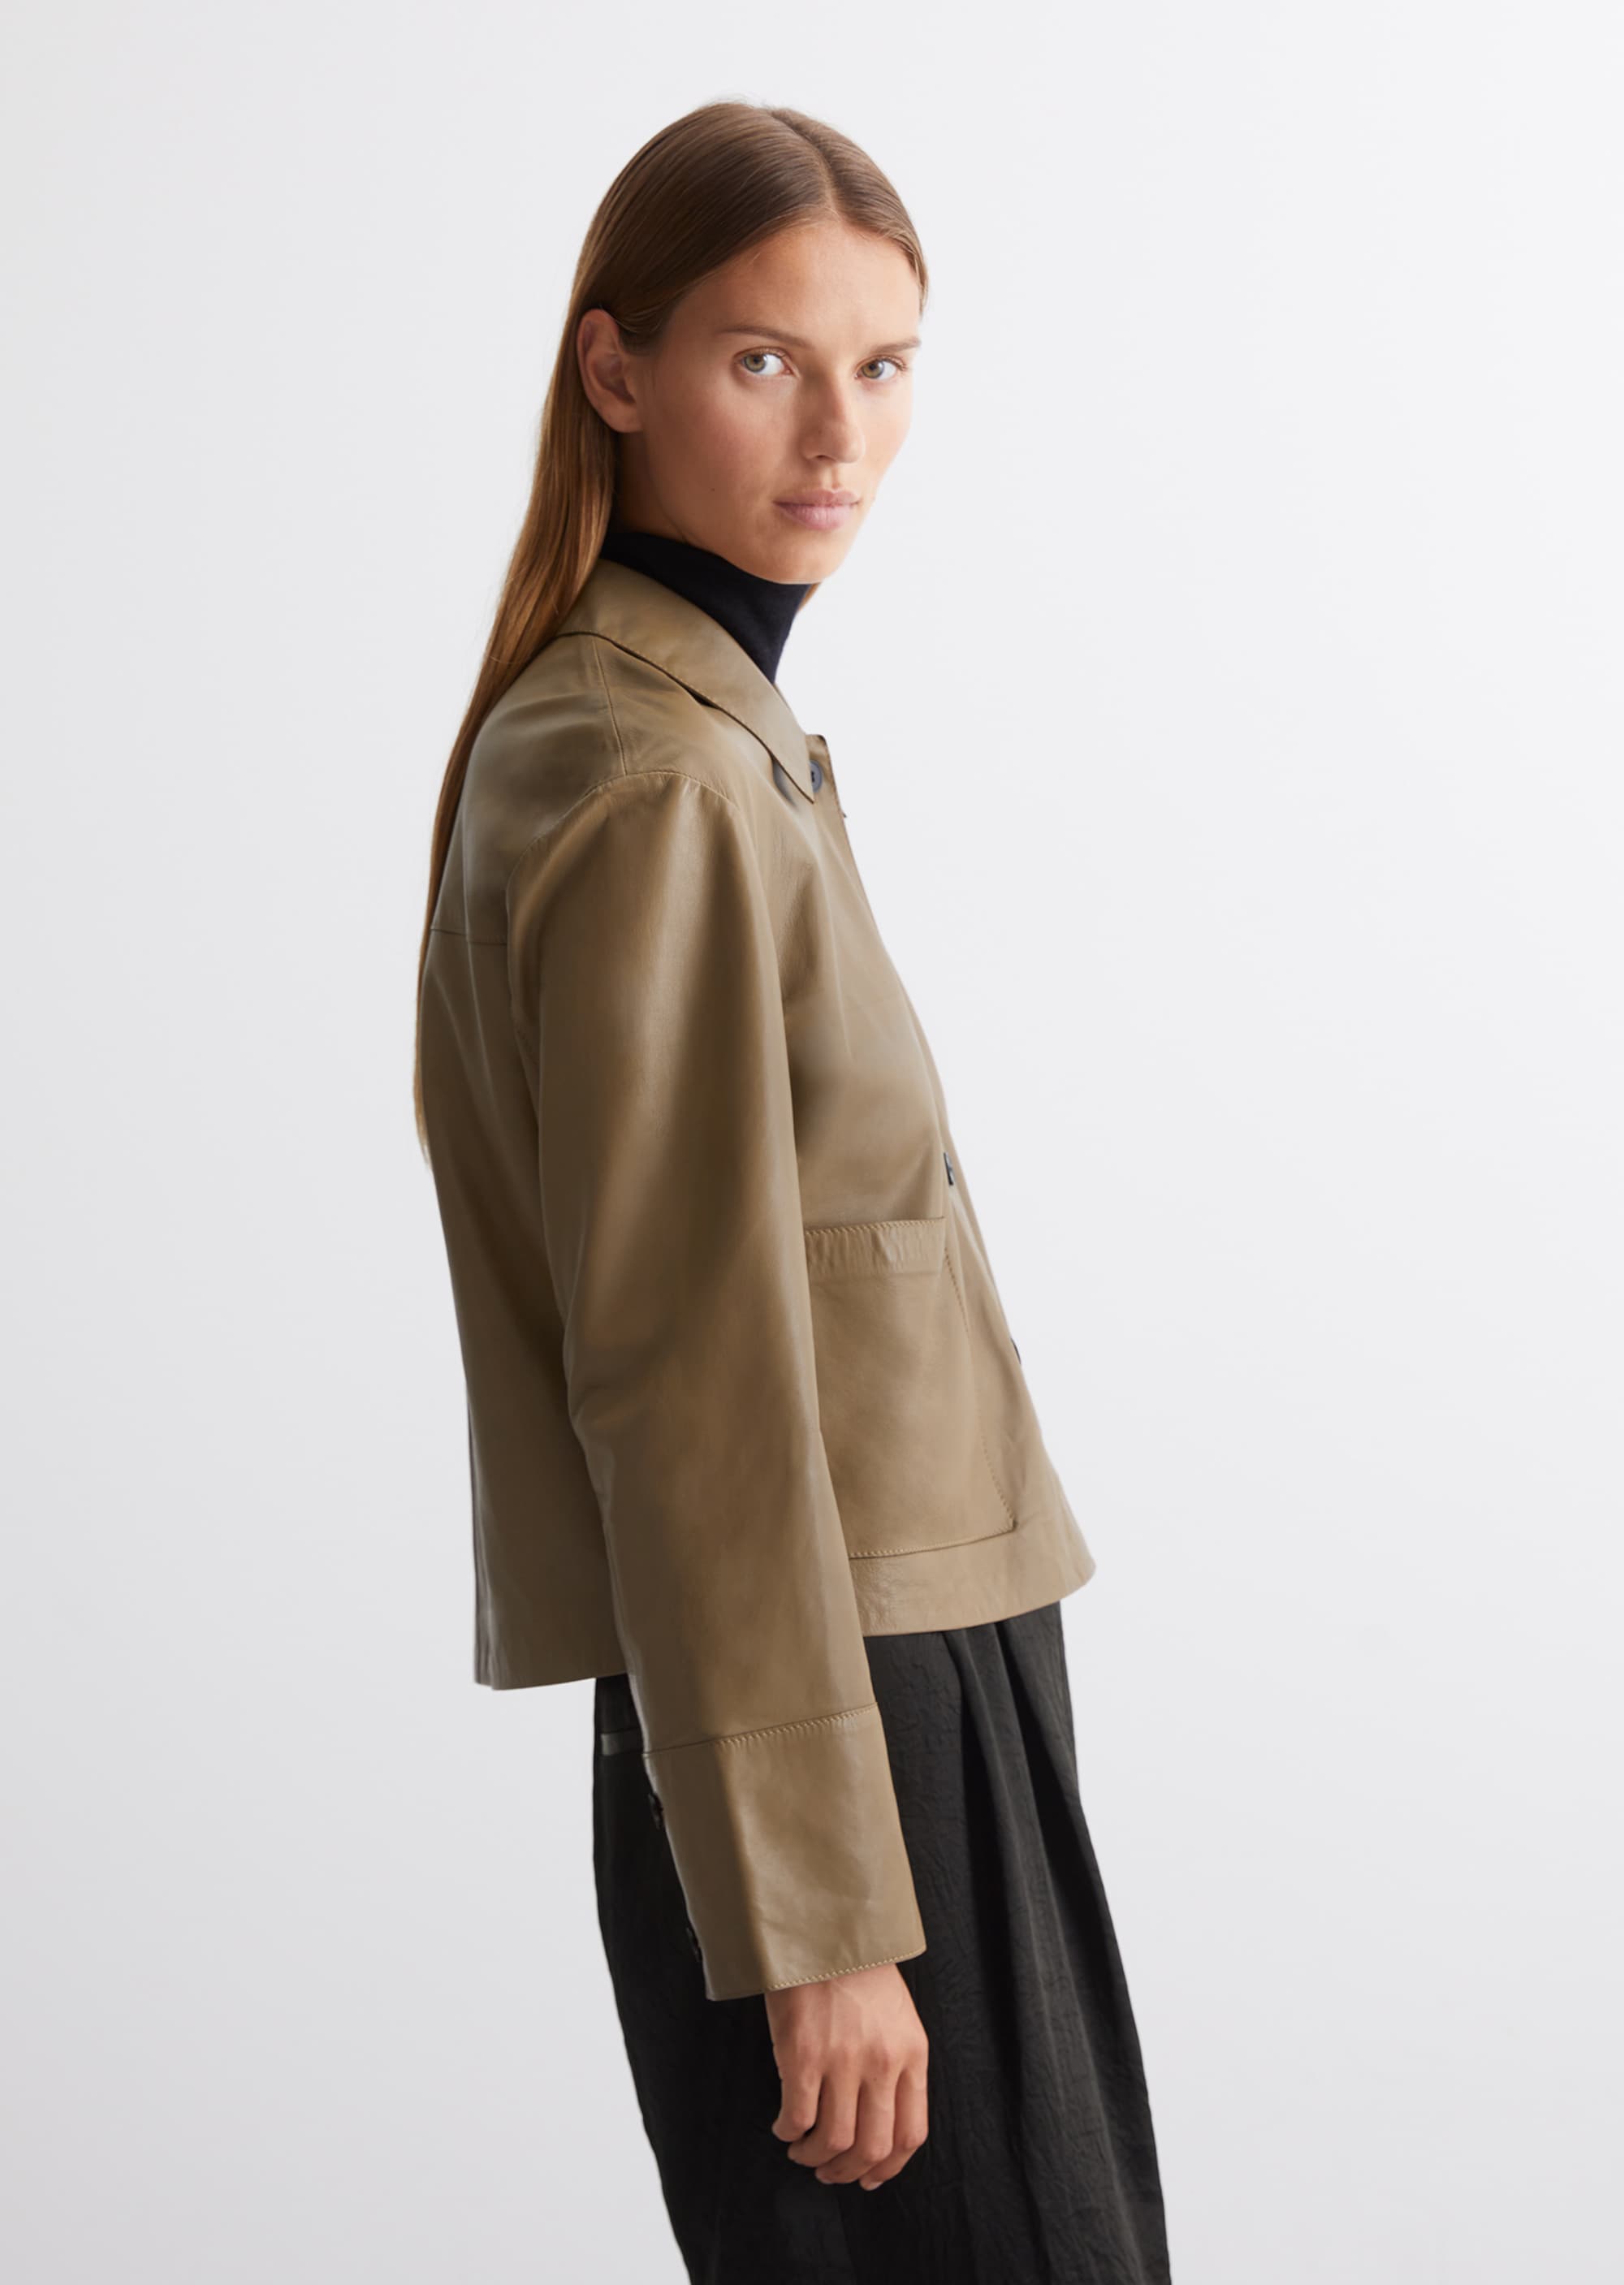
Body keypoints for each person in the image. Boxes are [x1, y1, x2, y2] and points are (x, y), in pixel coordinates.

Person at [413, 98, 1173, 2283]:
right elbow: (688, 1385)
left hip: (880, 1681)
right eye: (766, 360)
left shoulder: (696, 732)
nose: (841, 434)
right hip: (840, 1718)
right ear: (617, 367)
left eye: (885, 364)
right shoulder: (649, 777)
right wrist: (822, 1922)